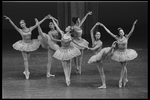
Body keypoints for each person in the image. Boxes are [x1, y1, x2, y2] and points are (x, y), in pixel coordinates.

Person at [4, 15, 49, 79]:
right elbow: (14, 25)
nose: (21, 25)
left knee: (27, 60)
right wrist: (9, 19)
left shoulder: (30, 29)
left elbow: (37, 24)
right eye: (20, 24)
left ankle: (25, 70)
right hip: (23, 45)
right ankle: (27, 72)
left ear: (25, 23)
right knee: (25, 60)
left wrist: (44, 18)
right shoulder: (20, 30)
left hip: (30, 44)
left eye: (22, 23)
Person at [49, 15, 88, 86]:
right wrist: (52, 19)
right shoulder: (62, 33)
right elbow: (57, 27)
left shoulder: (70, 37)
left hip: (69, 50)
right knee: (64, 65)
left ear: (69, 30)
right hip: (62, 51)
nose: (66, 27)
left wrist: (85, 46)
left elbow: (77, 44)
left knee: (69, 65)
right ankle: (66, 77)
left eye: (67, 27)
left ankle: (68, 78)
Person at [99, 20, 138, 88]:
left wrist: (134, 24)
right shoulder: (117, 38)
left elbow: (131, 31)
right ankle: (125, 79)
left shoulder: (126, 37)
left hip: (126, 53)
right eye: (120, 32)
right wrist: (103, 26)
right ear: (119, 33)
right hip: (119, 53)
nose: (122, 33)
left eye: (122, 31)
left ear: (123, 32)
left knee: (123, 66)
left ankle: (120, 80)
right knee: (124, 66)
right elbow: (109, 32)